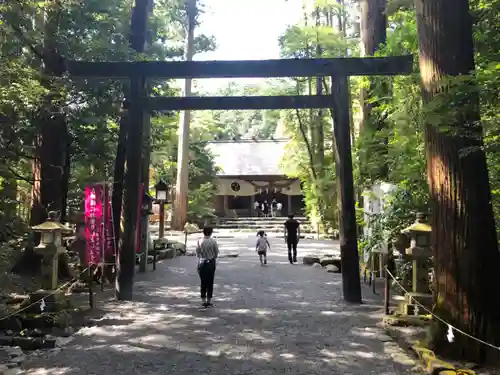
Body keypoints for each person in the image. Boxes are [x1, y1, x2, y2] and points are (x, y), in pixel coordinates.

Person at [196, 227, 219, 308]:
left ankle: (203, 300)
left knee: (203, 281)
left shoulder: (199, 240)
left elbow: (197, 253)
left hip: (202, 262)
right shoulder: (213, 241)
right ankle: (209, 300)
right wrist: (212, 257)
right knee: (210, 282)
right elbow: (216, 253)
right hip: (211, 262)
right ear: (211, 232)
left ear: (203, 232)